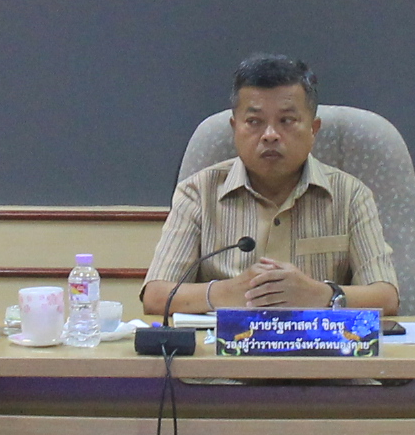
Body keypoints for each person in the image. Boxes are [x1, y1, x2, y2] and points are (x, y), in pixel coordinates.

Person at [141, 55, 401, 317]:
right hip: (225, 343)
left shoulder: (350, 195)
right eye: (254, 122)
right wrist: (228, 292)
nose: (270, 135)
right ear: (235, 128)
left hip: (316, 342)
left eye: (286, 121)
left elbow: (386, 297)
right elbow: (155, 296)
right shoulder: (198, 193)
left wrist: (322, 295)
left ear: (313, 129)